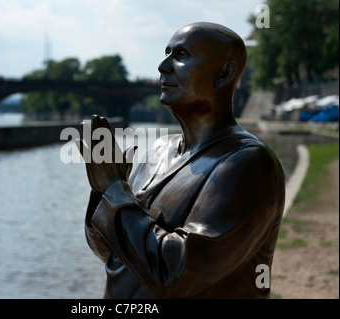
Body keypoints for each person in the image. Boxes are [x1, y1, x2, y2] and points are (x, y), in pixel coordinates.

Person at [76, 22, 285, 298]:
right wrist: (102, 187)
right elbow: (113, 253)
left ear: (225, 73)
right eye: (166, 53)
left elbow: (176, 272)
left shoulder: (248, 164)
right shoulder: (159, 150)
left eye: (181, 55)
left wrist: (115, 189)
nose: (163, 66)